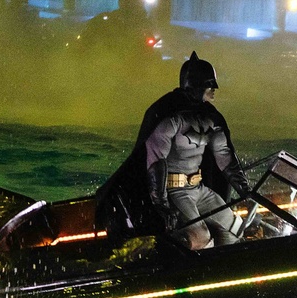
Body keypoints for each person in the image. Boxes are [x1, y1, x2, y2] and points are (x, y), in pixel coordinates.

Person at [96, 52, 251, 249]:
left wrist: (244, 188)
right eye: (208, 84)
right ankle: (177, 262)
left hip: (199, 188)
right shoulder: (169, 114)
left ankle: (225, 264)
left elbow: (224, 156)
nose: (213, 89)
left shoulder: (211, 117)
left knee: (234, 227)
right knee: (199, 237)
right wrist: (161, 204)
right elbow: (155, 160)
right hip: (174, 191)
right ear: (195, 85)